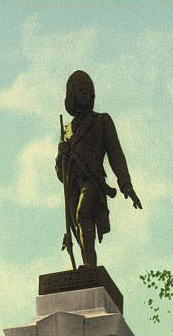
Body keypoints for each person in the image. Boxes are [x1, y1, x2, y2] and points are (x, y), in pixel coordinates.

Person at [56, 70, 142, 268]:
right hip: (72, 186)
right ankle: (87, 265)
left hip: (93, 181)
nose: (85, 92)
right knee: (79, 226)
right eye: (80, 89)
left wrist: (125, 184)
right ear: (72, 95)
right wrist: (62, 154)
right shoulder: (66, 130)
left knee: (83, 214)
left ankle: (90, 268)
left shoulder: (101, 120)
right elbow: (61, 174)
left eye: (88, 89)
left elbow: (116, 154)